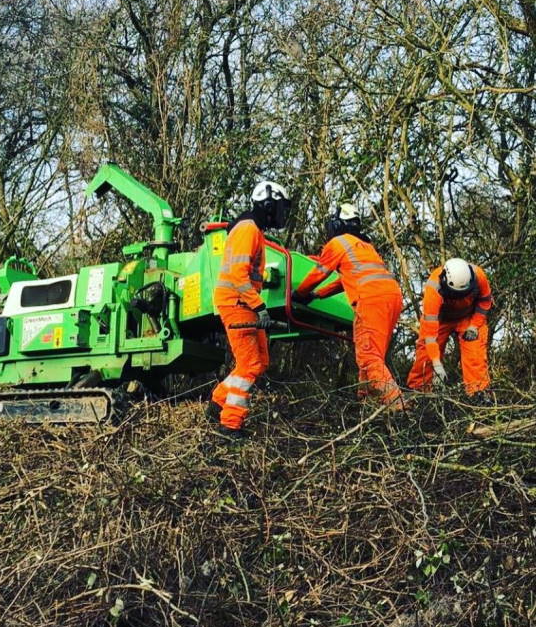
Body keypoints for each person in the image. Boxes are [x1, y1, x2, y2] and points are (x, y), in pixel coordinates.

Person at [292, 204, 406, 410]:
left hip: (371, 299)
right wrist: (318, 295)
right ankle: (367, 404)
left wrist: (300, 294)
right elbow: (342, 281)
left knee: (369, 357)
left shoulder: (338, 243)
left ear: (336, 224)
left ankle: (398, 406)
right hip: (392, 297)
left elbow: (320, 272)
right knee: (371, 355)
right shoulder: (365, 247)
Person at [209, 180, 291, 440]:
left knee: (261, 362)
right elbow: (237, 275)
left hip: (244, 302)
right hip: (237, 302)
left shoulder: (253, 229)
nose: (281, 213)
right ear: (268, 205)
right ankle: (230, 425)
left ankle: (218, 401)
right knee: (249, 363)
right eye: (279, 207)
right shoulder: (247, 229)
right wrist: (260, 307)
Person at [406, 258, 492, 398]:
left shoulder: (478, 276)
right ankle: (417, 395)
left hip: (468, 318)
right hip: (441, 320)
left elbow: (485, 301)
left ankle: (479, 395)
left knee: (474, 353)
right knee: (426, 355)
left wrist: (474, 325)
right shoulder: (433, 288)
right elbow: (430, 334)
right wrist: (436, 363)